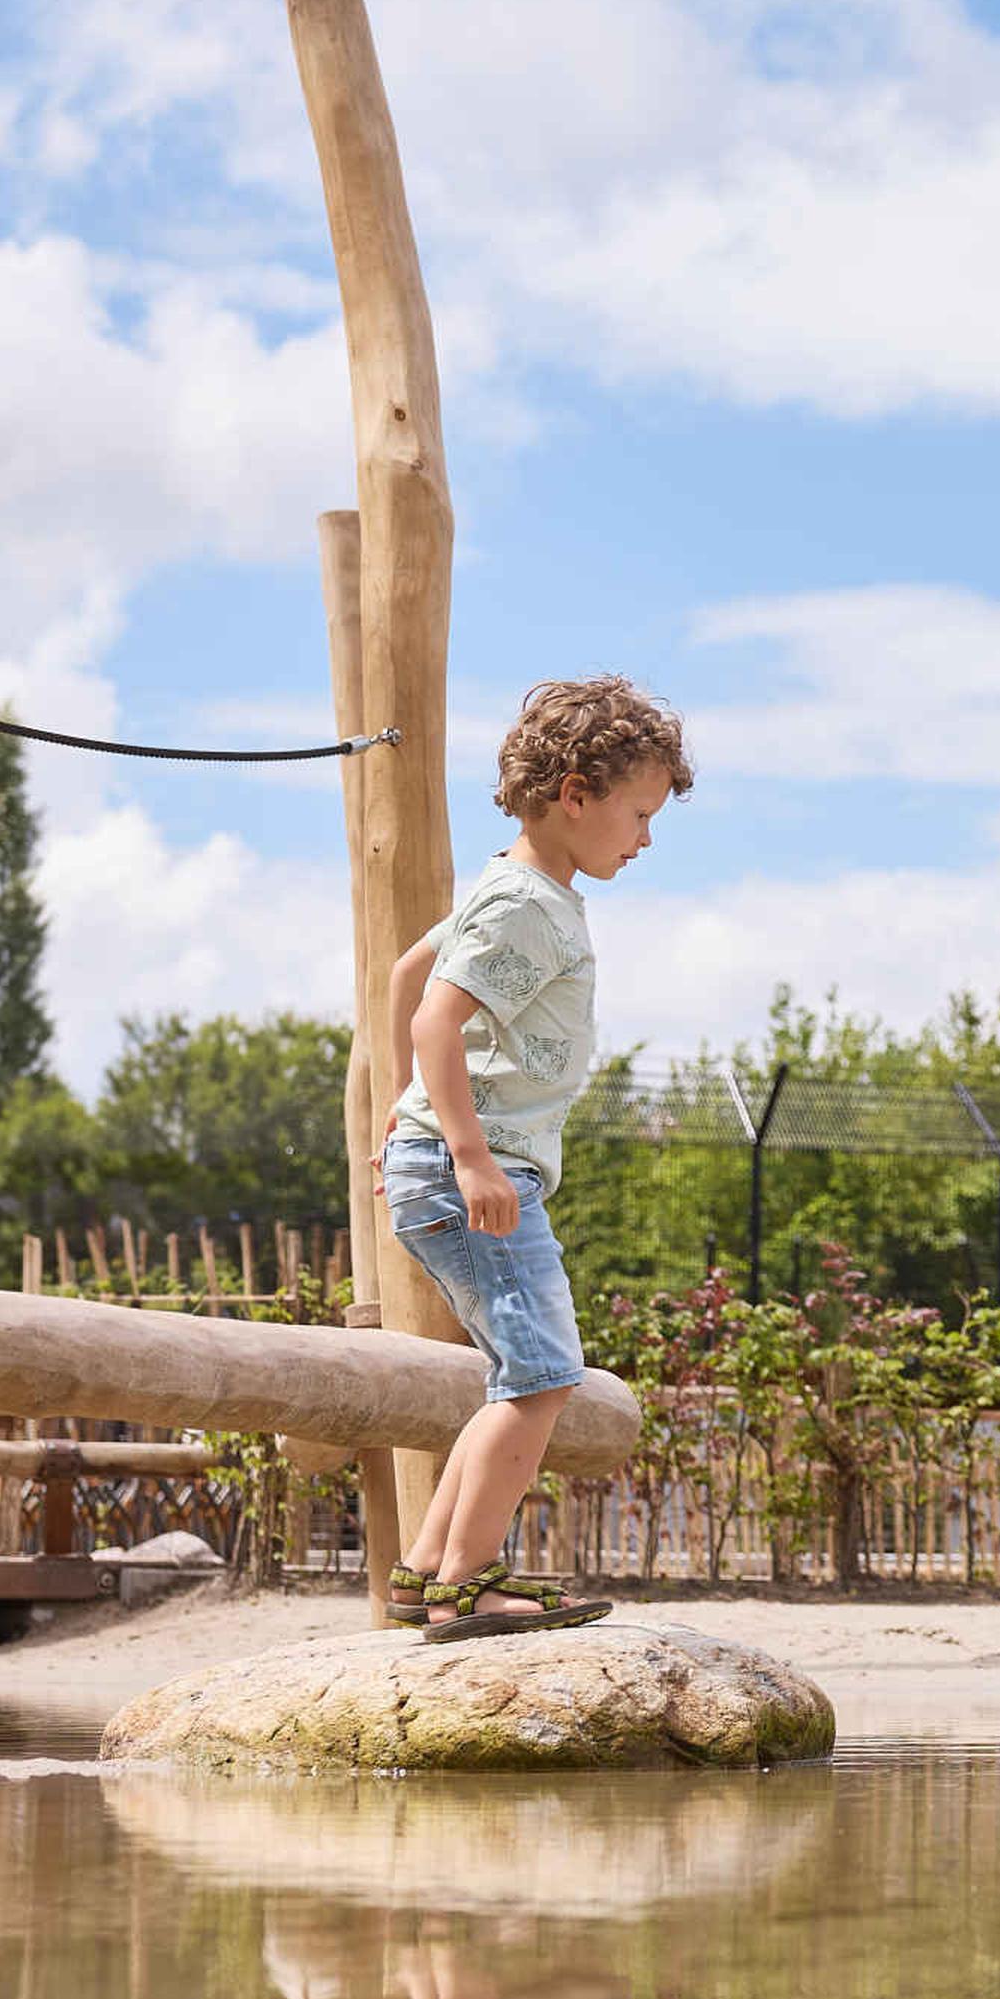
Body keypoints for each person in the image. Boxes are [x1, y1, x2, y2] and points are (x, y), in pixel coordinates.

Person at [373, 673, 692, 1640]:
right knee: (546, 1375)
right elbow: (437, 1014)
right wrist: (463, 1148)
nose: (644, 838)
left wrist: (405, 1105)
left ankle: (427, 1570)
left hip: (457, 1160)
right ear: (575, 796)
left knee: (523, 1372)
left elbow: (404, 977)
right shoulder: (526, 905)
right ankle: (467, 1585)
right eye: (638, 813)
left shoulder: (514, 891)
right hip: (480, 1168)